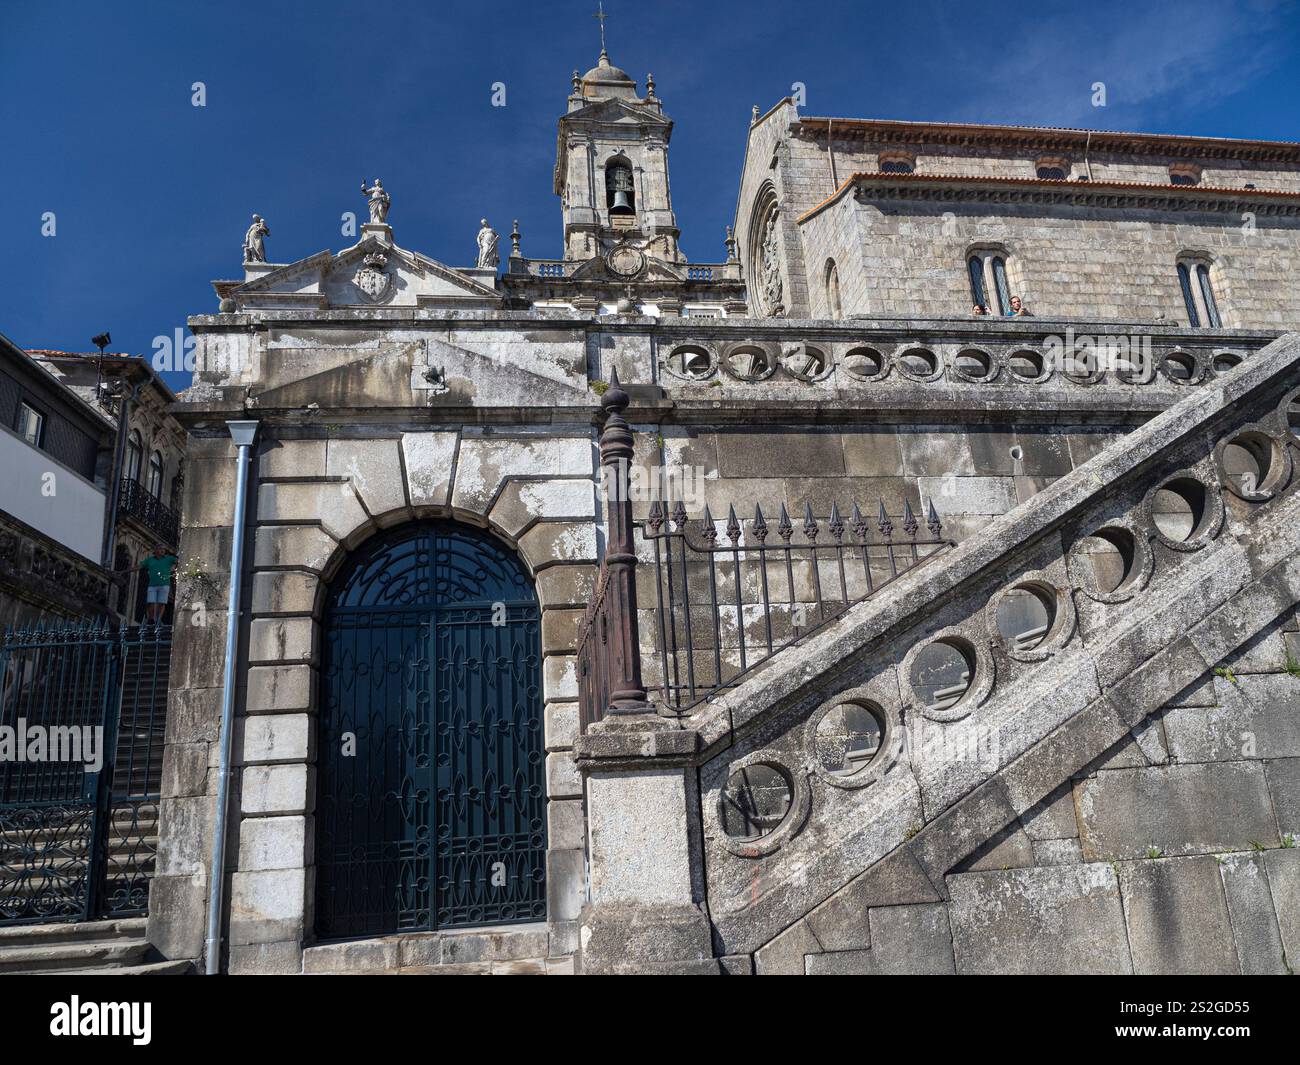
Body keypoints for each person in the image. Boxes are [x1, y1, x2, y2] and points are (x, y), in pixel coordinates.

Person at [139, 544, 178, 624]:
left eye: (164, 549)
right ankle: (151, 619)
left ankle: (158, 619)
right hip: (152, 585)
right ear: (156, 550)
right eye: (161, 549)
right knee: (151, 602)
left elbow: (179, 561)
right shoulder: (150, 560)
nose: (163, 550)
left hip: (164, 584)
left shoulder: (169, 558)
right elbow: (139, 566)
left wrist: (175, 570)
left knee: (162, 602)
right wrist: (124, 571)